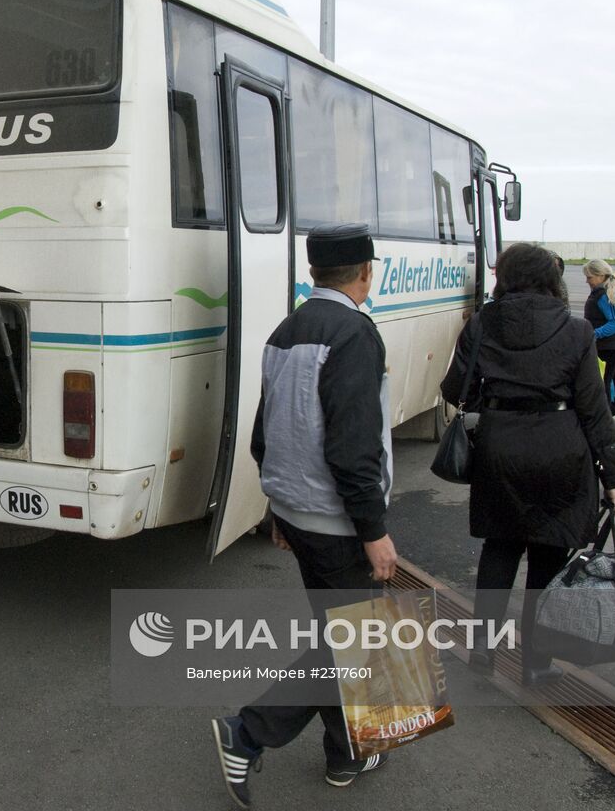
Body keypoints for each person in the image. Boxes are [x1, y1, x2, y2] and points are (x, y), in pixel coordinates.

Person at [211, 223, 397, 809]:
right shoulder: (355, 334)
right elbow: (353, 446)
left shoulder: (285, 329)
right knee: (352, 642)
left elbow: (267, 433)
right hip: (336, 521)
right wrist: (374, 531)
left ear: (314, 272)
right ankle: (250, 730)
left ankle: (349, 752)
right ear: (366, 272)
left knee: (336, 633)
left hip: (297, 511)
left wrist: (275, 510)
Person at [442, 243, 615, 686]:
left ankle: (482, 650)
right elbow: (594, 409)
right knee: (548, 556)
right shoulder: (578, 330)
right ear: (552, 278)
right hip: (562, 447)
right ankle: (536, 662)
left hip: (500, 446)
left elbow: (454, 388)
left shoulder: (484, 323)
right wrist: (614, 479)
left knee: (499, 548)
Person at [581, 259, 615, 418]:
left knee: (603, 382)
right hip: (613, 346)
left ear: (600, 275)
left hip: (610, 347)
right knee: (606, 380)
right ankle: (610, 411)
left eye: (589, 277)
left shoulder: (605, 294)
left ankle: (609, 414)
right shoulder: (607, 290)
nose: (587, 280)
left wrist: (594, 334)